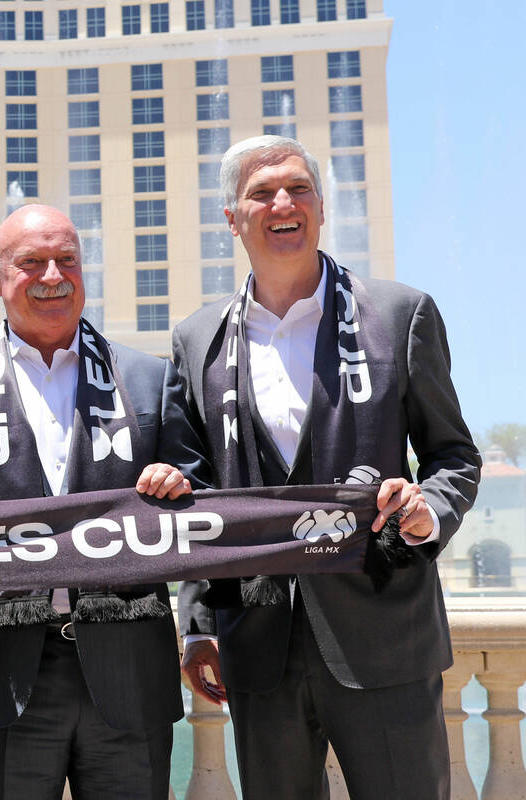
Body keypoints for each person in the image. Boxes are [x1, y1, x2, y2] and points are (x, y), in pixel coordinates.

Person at [173, 135, 481, 800]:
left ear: (319, 206)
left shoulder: (401, 314)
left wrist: (429, 511)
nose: (284, 202)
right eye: (262, 192)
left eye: (299, 187)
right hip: (258, 648)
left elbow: (453, 456)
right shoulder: (197, 340)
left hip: (386, 638)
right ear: (233, 218)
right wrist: (197, 626)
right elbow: (199, 500)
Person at [0, 204, 207, 800]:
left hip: (128, 673)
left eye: (67, 260)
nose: (53, 276)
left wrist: (177, 486)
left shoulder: (151, 379)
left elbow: (205, 514)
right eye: (31, 263)